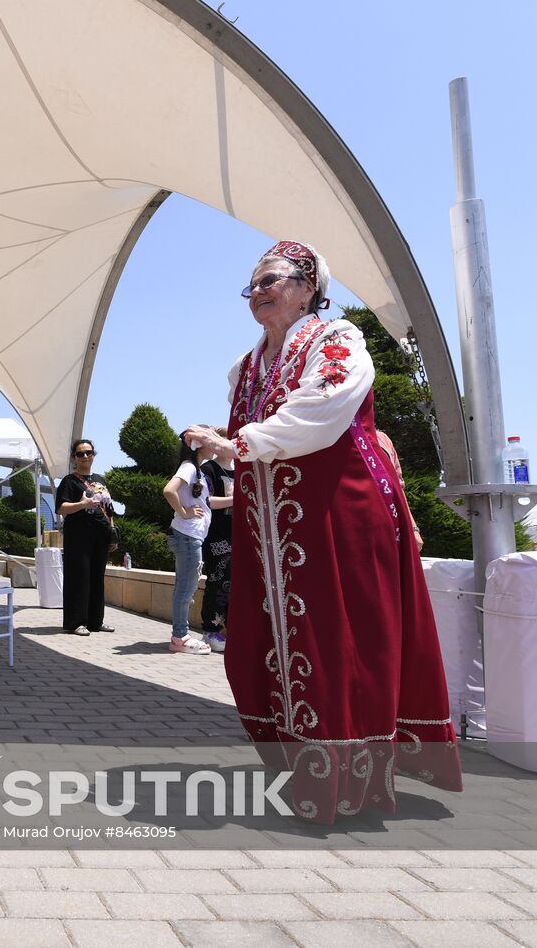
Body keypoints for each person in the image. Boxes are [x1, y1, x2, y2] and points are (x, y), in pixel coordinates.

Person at [184, 238, 460, 824]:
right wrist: (230, 442)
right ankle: (300, 772)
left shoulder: (338, 340)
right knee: (275, 642)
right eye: (251, 286)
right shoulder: (246, 366)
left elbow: (323, 409)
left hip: (341, 514)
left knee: (340, 637)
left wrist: (236, 444)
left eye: (270, 280)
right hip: (275, 530)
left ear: (310, 287)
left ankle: (351, 787)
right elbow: (263, 438)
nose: (257, 293)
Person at [161, 433, 231, 655]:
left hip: (190, 536)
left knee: (185, 587)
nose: (215, 446)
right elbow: (168, 490)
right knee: (186, 589)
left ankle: (179, 636)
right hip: (188, 536)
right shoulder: (190, 467)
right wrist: (183, 512)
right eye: (210, 442)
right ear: (200, 446)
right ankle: (180, 637)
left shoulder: (195, 468)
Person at [55, 440, 117, 635]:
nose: (85, 457)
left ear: (93, 455)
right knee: (79, 578)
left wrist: (112, 534)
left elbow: (108, 510)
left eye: (88, 452)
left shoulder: (101, 479)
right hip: (78, 536)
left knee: (97, 578)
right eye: (80, 454)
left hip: (100, 535)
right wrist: (82, 505)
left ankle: (95, 621)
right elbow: (61, 508)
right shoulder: (69, 481)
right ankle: (76, 622)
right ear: (74, 457)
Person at [198, 432, 234, 652]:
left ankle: (230, 630)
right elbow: (205, 500)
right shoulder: (208, 470)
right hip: (217, 535)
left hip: (238, 534)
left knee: (235, 583)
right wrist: (235, 499)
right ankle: (211, 629)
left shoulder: (242, 469)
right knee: (218, 580)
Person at [375, 429, 424, 552]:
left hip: (391, 527)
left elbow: (398, 489)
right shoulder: (331, 435)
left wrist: (413, 529)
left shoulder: (382, 438)